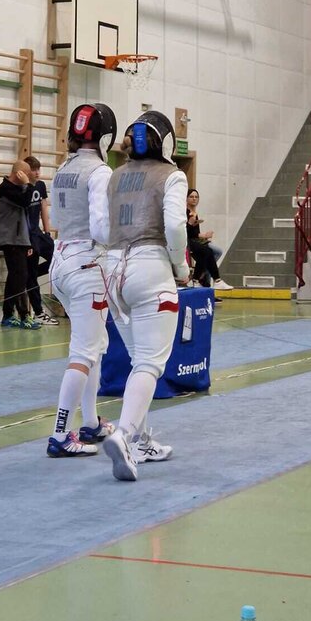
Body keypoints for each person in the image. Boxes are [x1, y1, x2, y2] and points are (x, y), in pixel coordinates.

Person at [102, 111, 190, 481]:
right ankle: (123, 435)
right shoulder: (173, 175)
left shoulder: (115, 175)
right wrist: (181, 266)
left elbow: (101, 227)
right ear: (166, 142)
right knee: (150, 364)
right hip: (150, 268)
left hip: (112, 271)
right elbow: (175, 226)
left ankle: (138, 442)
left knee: (139, 361)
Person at [46, 103, 118, 458]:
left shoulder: (63, 168)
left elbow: (57, 218)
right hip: (87, 267)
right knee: (83, 352)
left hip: (59, 262)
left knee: (94, 347)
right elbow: (102, 228)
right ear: (105, 137)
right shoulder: (100, 172)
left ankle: (90, 422)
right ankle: (60, 435)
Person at [0, 160, 42, 330]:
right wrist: (28, 185)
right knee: (20, 276)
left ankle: (7, 315)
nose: (29, 177)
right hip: (9, 238)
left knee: (14, 277)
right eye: (26, 174)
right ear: (19, 174)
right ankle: (24, 315)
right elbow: (25, 201)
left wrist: (27, 242)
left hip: (19, 238)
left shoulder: (19, 189)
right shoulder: (5, 188)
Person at [23, 155, 58, 325]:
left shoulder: (40, 185)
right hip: (27, 236)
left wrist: (47, 230)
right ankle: (38, 312)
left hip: (38, 233)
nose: (37, 173)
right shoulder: (23, 188)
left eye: (38, 169)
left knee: (56, 258)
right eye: (33, 170)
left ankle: (31, 276)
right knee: (31, 276)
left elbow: (43, 206)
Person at [186, 189, 233, 291]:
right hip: (187, 241)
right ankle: (212, 280)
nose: (194, 199)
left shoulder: (194, 213)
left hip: (195, 240)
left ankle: (202, 278)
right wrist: (190, 223)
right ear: (186, 198)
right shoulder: (185, 212)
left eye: (196, 197)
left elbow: (195, 233)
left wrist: (204, 236)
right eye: (191, 197)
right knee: (208, 252)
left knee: (214, 252)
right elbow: (184, 231)